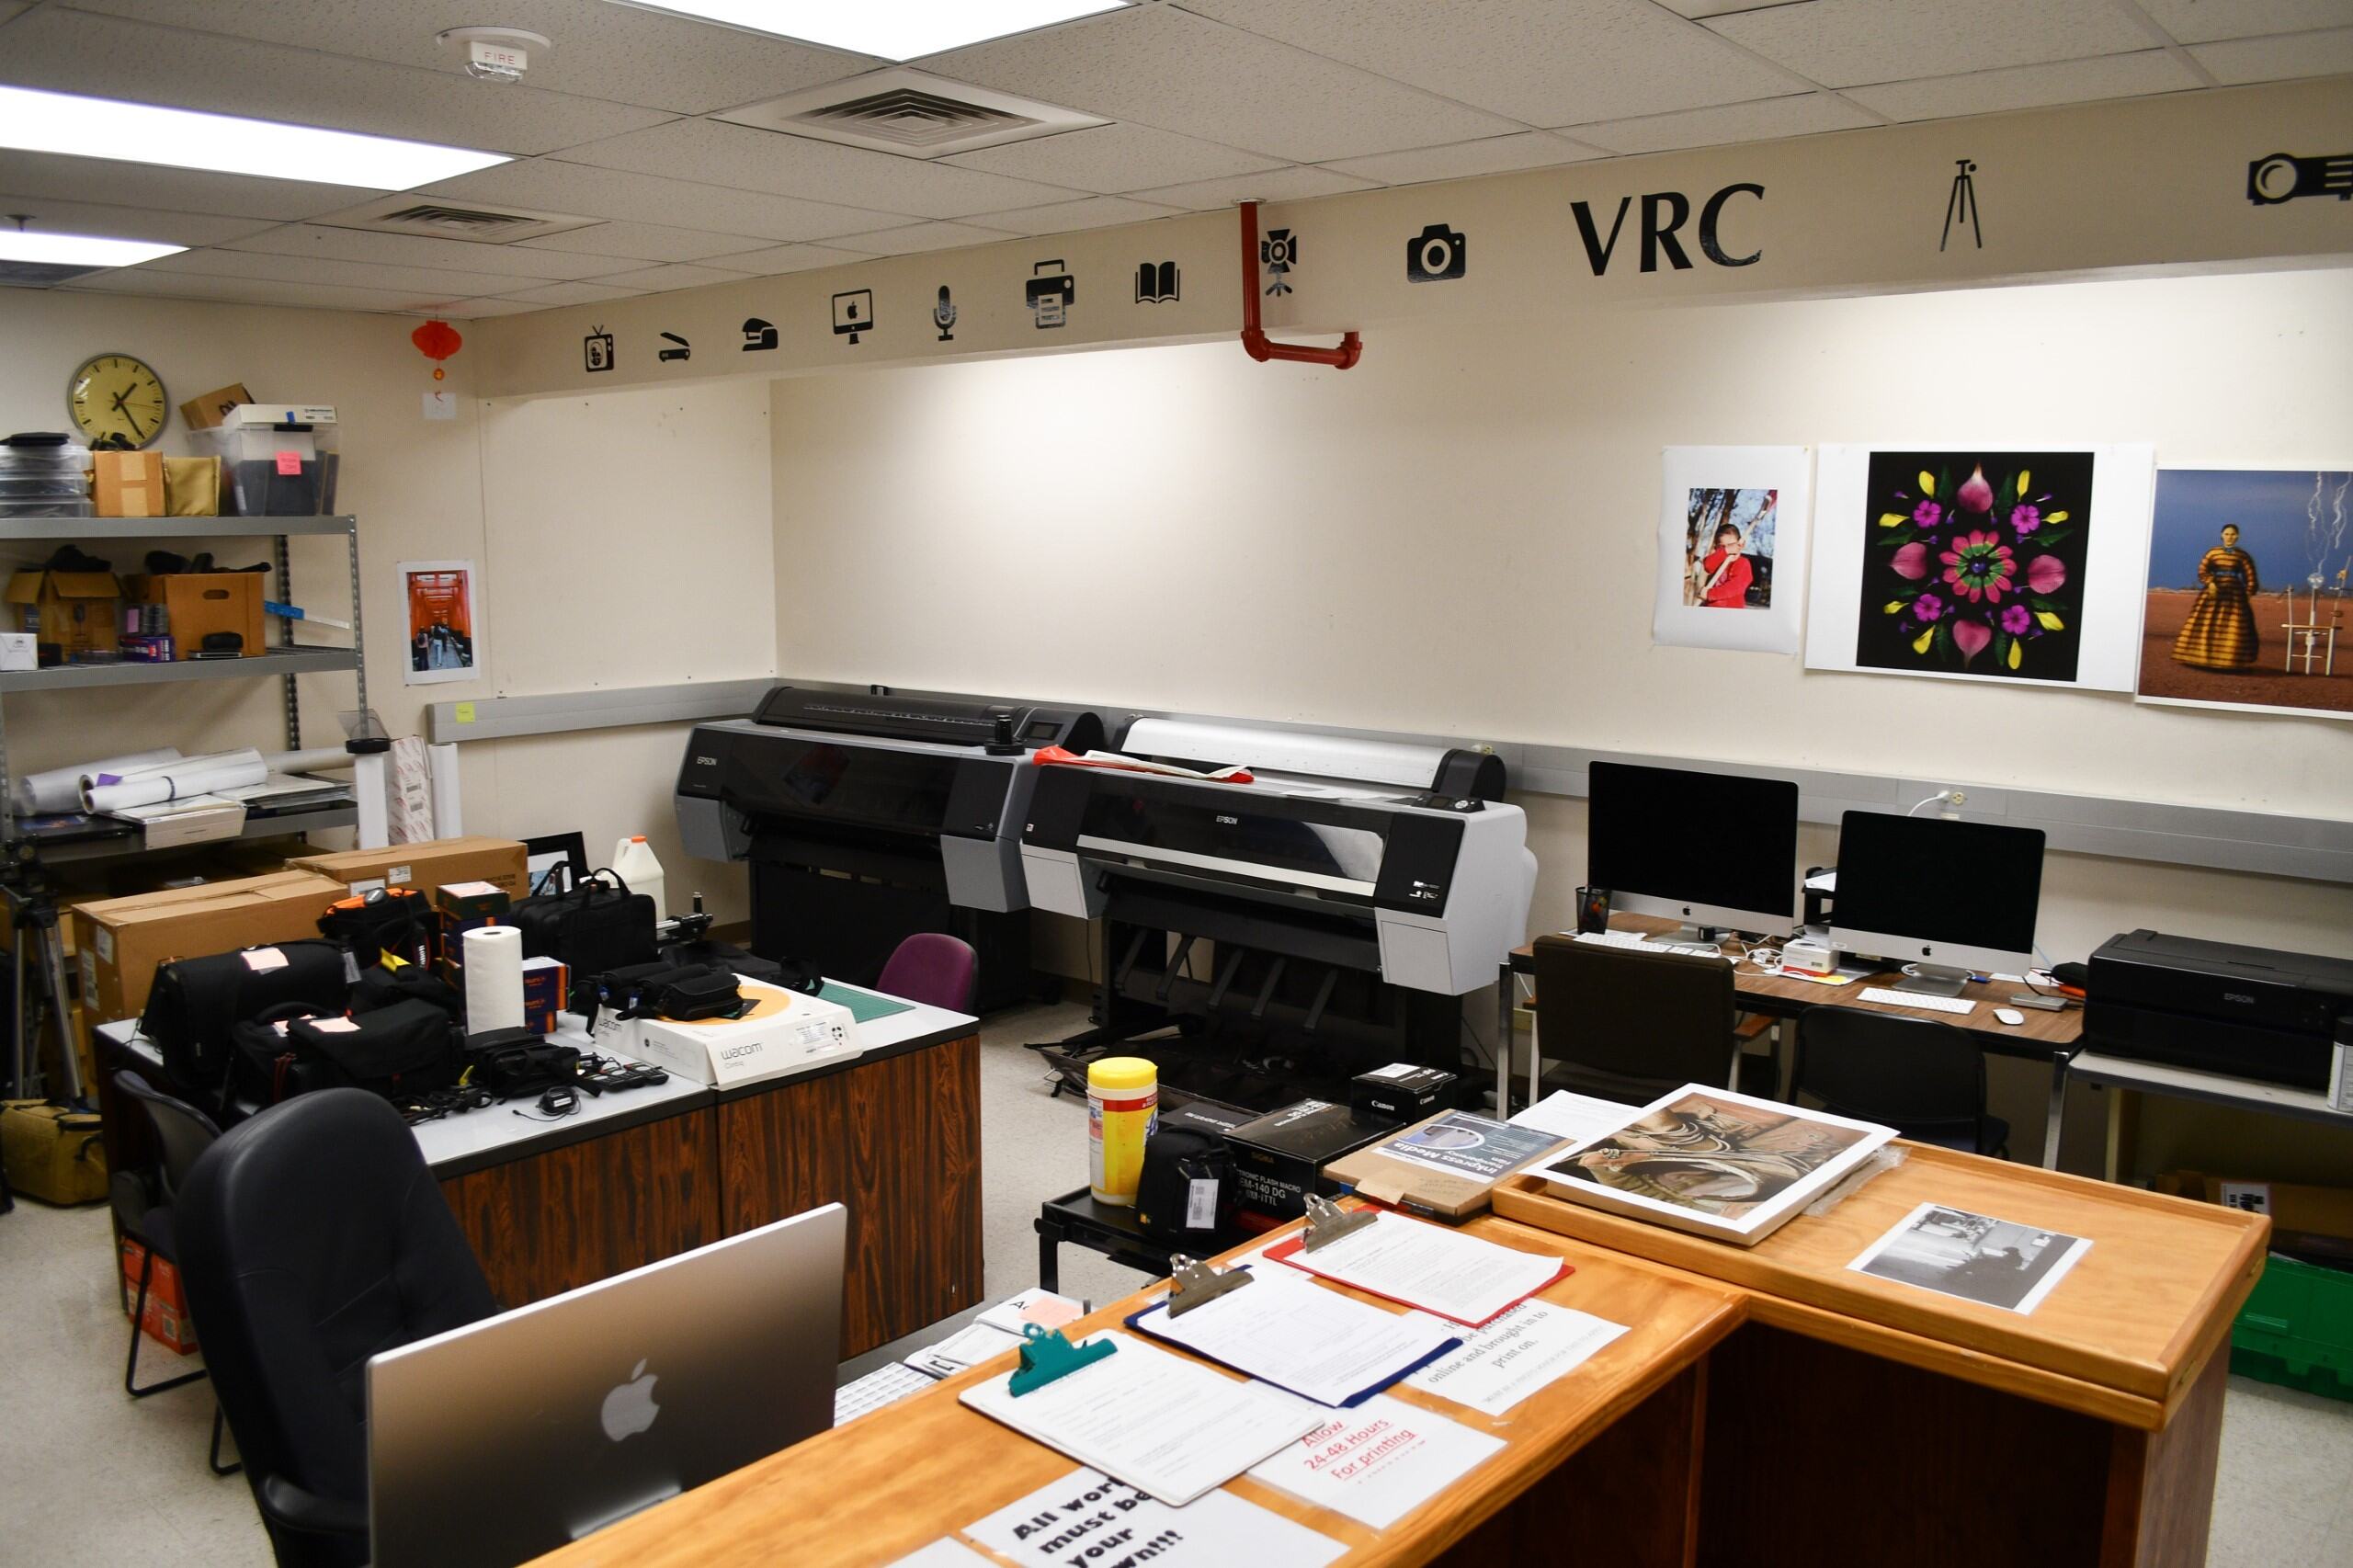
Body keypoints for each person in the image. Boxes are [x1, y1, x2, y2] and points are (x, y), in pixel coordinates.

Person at [2173, 523, 2261, 669]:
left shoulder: (2243, 555)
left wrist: (2248, 593)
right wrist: (2210, 583)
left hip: (2235, 596)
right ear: (2221, 535)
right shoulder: (2212, 553)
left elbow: (2250, 576)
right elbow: (2203, 570)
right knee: (2206, 624)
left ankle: (2231, 661)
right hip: (2213, 593)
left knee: (2235, 626)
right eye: (2227, 534)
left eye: (2233, 534)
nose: (2230, 537)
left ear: (2237, 536)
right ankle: (2203, 659)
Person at [1695, 521, 1753, 608]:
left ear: (1741, 545)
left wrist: (1710, 594)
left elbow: (1735, 587)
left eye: (1731, 545)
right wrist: (1726, 551)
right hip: (1711, 607)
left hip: (1731, 609)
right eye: (1722, 546)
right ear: (1717, 547)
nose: (1730, 550)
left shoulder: (1743, 563)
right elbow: (1707, 566)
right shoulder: (1719, 559)